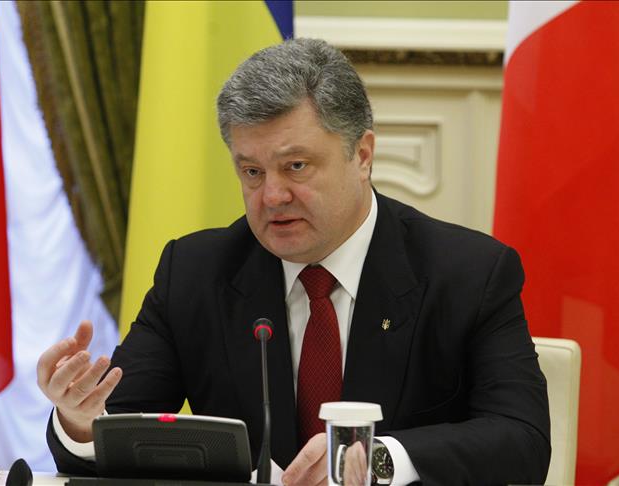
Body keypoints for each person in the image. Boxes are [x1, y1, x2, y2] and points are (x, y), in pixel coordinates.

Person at [37, 38, 550, 485]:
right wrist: (80, 419)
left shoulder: (468, 273)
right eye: (252, 172)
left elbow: (522, 439)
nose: (272, 196)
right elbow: (118, 433)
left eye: (296, 166)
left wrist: (375, 459)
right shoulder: (194, 272)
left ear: (362, 155)